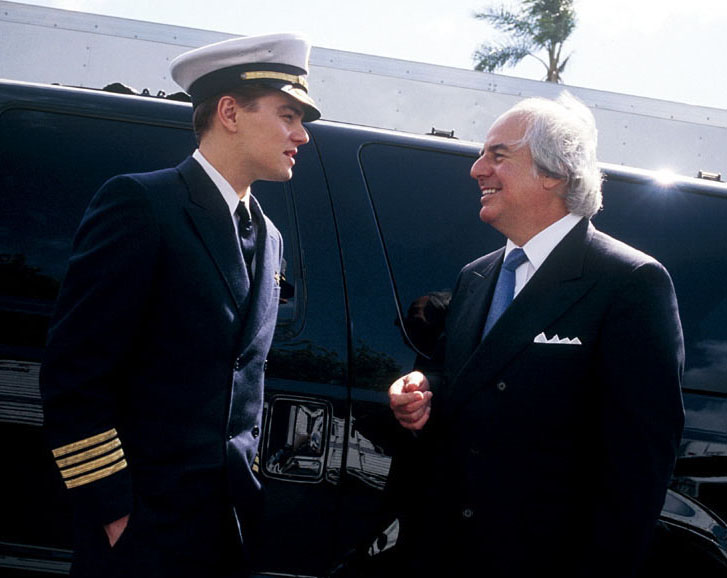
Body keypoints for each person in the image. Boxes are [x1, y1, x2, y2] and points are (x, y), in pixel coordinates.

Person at [39, 33, 320, 578]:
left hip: (226, 526)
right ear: (231, 112)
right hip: (142, 526)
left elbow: (243, 382)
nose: (302, 135)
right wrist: (113, 507)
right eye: (289, 115)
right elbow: (74, 374)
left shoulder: (270, 238)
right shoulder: (142, 204)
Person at [388, 93, 684, 577]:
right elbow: (456, 379)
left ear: (553, 172)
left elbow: (638, 467)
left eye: (497, 155)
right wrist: (422, 393)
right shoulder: (476, 276)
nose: (476, 169)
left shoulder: (629, 282)